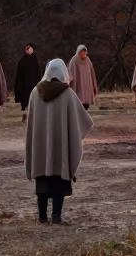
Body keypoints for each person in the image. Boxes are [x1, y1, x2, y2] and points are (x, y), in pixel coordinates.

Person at [25, 58, 94, 224]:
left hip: (40, 149)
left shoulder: (35, 92)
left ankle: (42, 216)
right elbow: (83, 121)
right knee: (59, 182)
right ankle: (56, 216)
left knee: (42, 183)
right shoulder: (67, 94)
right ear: (63, 72)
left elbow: (31, 124)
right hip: (60, 150)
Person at [13, 43, 41, 118]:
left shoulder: (35, 60)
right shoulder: (22, 60)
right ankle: (24, 116)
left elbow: (38, 73)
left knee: (33, 101)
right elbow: (19, 74)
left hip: (33, 84)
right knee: (24, 102)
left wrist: (38, 83)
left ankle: (33, 116)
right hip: (24, 85)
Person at [67, 45, 99, 110]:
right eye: (82, 52)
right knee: (79, 100)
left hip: (87, 84)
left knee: (86, 103)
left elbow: (92, 73)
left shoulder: (88, 60)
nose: (84, 53)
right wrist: (69, 82)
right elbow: (71, 72)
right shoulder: (74, 60)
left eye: (85, 52)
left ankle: (85, 106)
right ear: (79, 52)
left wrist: (94, 84)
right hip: (78, 84)